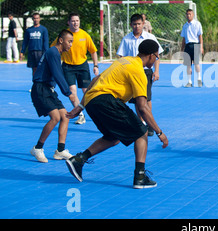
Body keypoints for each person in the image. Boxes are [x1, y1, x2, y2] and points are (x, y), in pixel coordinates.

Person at [65, 39, 169, 189]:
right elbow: (142, 107)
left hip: (91, 102)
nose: (156, 60)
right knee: (141, 132)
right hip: (107, 101)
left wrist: (80, 106)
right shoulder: (139, 71)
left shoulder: (123, 60)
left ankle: (79, 160)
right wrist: (160, 133)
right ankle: (140, 177)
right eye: (157, 57)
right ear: (152, 55)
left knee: (113, 137)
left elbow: (95, 79)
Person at [30, 30, 76, 163]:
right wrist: (68, 93)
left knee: (65, 117)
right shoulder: (53, 52)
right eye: (69, 41)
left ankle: (60, 151)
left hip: (49, 90)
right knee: (55, 117)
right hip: (40, 89)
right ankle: (37, 148)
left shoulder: (56, 54)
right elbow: (57, 74)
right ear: (61, 40)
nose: (71, 45)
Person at [117, 13, 163, 135]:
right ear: (131, 25)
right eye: (134, 24)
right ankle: (141, 123)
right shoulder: (126, 39)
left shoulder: (150, 37)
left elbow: (157, 56)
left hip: (146, 71)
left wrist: (156, 71)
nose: (137, 26)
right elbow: (121, 57)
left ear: (143, 24)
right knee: (136, 99)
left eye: (139, 24)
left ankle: (150, 124)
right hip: (131, 72)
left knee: (146, 98)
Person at [51, 12, 99, 125]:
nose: (75, 23)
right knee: (72, 92)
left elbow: (93, 51)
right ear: (68, 22)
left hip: (83, 66)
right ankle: (80, 115)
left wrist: (95, 65)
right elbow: (54, 48)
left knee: (86, 92)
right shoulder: (63, 36)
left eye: (77, 20)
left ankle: (96, 113)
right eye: (73, 21)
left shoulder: (85, 35)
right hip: (68, 67)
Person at [180, 9, 203, 87]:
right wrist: (182, 49)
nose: (188, 16)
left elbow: (200, 36)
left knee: (196, 63)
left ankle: (199, 79)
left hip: (195, 45)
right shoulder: (185, 25)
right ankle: (189, 81)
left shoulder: (197, 24)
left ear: (193, 15)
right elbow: (183, 38)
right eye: (187, 14)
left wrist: (201, 46)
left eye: (190, 14)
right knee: (188, 65)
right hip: (187, 46)